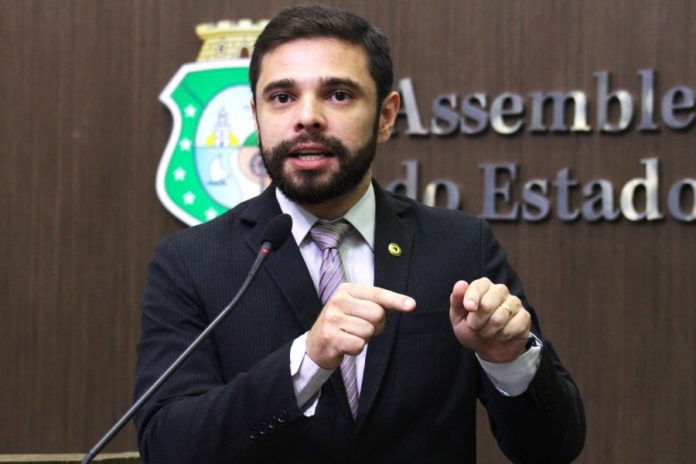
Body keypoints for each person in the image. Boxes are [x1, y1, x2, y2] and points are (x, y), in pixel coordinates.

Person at [134, 5, 585, 463]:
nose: (307, 117)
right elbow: (167, 446)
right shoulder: (189, 261)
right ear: (256, 115)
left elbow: (554, 448)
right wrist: (306, 361)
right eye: (282, 97)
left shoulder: (461, 245)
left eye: (338, 95)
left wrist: (508, 360)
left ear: (386, 116)